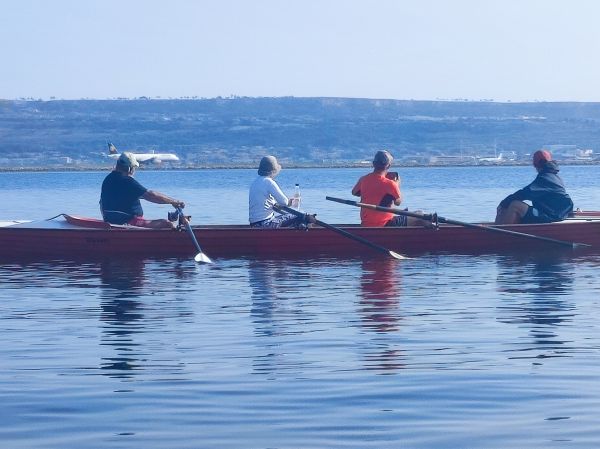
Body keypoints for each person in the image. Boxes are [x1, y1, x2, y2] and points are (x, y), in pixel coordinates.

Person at [100, 152, 185, 229]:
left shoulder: (108, 179)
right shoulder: (126, 181)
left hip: (111, 221)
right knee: (166, 224)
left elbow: (102, 203)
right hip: (129, 222)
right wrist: (173, 202)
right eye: (134, 168)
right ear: (130, 169)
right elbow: (151, 195)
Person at [495, 149, 574, 224]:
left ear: (536, 164)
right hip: (556, 213)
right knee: (513, 205)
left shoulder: (546, 178)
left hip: (551, 216)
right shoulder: (553, 176)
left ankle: (501, 234)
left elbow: (524, 193)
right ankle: (499, 228)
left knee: (515, 205)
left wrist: (503, 204)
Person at [352, 150, 425, 227]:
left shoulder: (363, 179)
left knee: (412, 214)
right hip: (385, 224)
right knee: (421, 215)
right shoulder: (390, 184)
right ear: (388, 166)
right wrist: (397, 185)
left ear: (373, 164)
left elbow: (354, 192)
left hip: (366, 223)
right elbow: (398, 202)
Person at [249, 155, 315, 228]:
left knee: (295, 216)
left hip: (254, 225)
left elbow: (270, 204)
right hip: (266, 224)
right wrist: (292, 201)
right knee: (302, 214)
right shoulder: (269, 182)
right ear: (273, 170)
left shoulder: (255, 182)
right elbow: (285, 202)